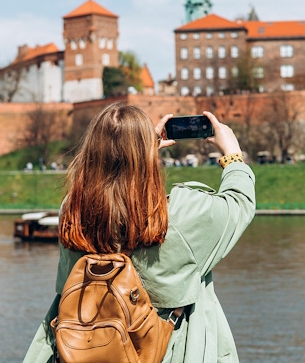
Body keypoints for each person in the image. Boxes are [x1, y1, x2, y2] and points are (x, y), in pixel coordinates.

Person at [23, 103, 256, 363]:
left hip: (80, 350)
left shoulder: (73, 212)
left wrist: (137, 150)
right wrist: (232, 154)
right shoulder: (181, 214)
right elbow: (239, 202)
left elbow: (112, 192)